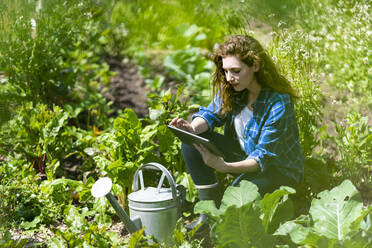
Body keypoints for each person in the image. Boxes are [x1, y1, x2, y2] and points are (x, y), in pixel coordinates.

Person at [169, 34, 304, 231]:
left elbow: (262, 158)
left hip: (277, 170)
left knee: (235, 196)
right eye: (225, 71)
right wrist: (191, 129)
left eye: (236, 71)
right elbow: (209, 115)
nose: (229, 77)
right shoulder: (234, 89)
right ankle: (208, 214)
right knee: (192, 143)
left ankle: (223, 215)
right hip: (246, 156)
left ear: (255, 66)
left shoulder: (278, 103)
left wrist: (224, 167)